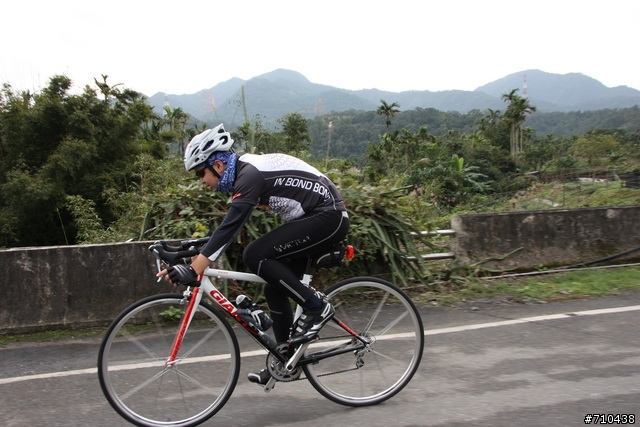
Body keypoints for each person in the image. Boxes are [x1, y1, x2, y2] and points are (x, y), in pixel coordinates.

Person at [157, 124, 350, 385]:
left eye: (201, 173)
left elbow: (230, 228)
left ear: (218, 165)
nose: (201, 180)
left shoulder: (249, 175)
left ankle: (316, 307)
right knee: (275, 288)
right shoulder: (244, 172)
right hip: (315, 218)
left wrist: (194, 269)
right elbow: (224, 230)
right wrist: (190, 252)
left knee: (255, 255)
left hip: (329, 217)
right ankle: (286, 360)